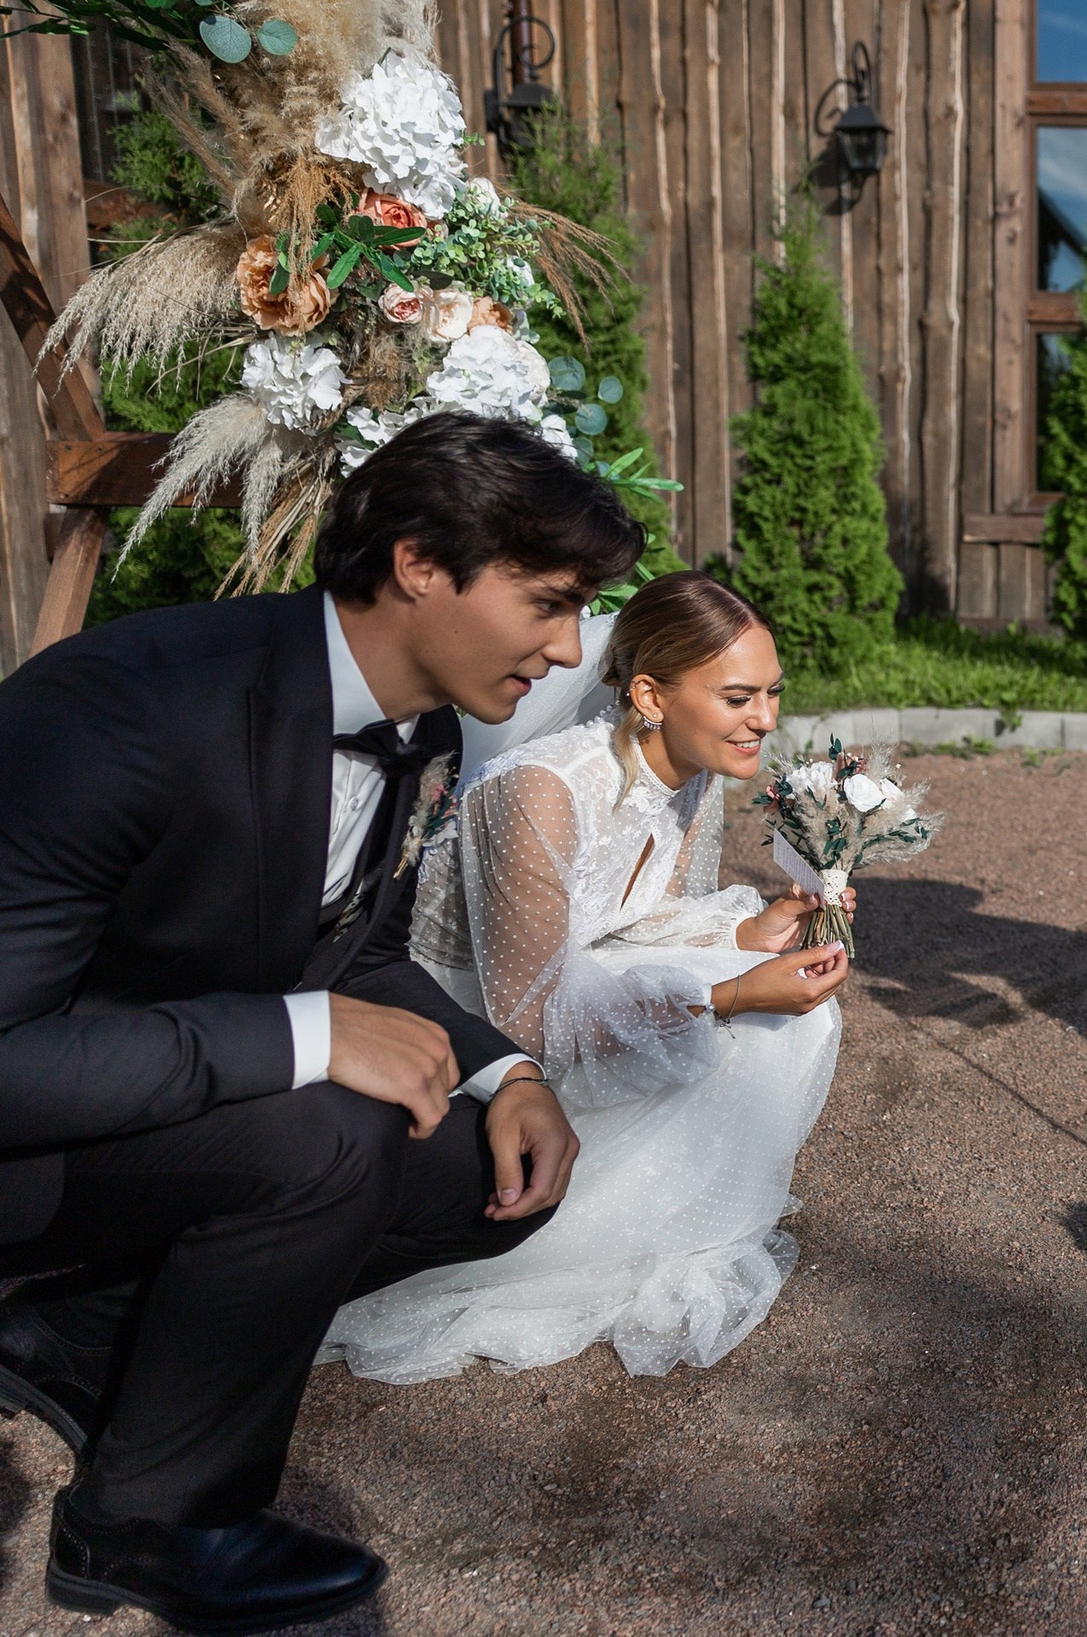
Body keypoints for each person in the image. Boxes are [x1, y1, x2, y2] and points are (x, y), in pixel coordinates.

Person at [0, 414, 639, 1633]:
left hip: (154, 1103)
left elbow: (363, 951)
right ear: (417, 564)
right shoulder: (122, 711)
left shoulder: (431, 730)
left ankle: (75, 1340)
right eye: (548, 603)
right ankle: (148, 1521)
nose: (567, 650)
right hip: (29, 1132)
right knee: (334, 1137)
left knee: (479, 1171)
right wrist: (305, 1038)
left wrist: (505, 1072)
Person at [323, 573, 849, 1381]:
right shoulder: (540, 788)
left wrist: (752, 931)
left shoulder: (691, 771)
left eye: (773, 693)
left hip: (564, 977)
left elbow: (631, 919)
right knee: (747, 1008)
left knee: (792, 1008)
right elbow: (528, 1024)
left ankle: (672, 1210)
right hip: (460, 1016)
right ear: (650, 694)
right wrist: (733, 991)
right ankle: (581, 1231)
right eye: (740, 697)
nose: (767, 720)